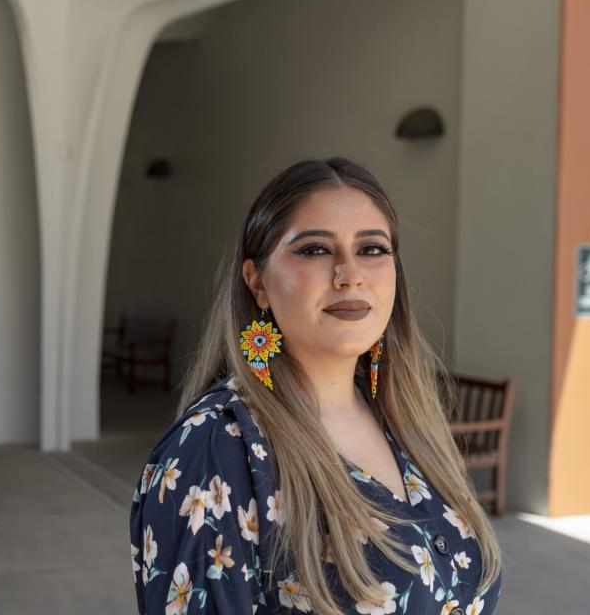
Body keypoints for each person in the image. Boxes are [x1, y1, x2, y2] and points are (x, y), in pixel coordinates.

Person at [129, 158, 503, 615]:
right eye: (314, 250)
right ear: (257, 283)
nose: (350, 274)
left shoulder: (407, 421)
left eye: (372, 249)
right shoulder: (218, 448)